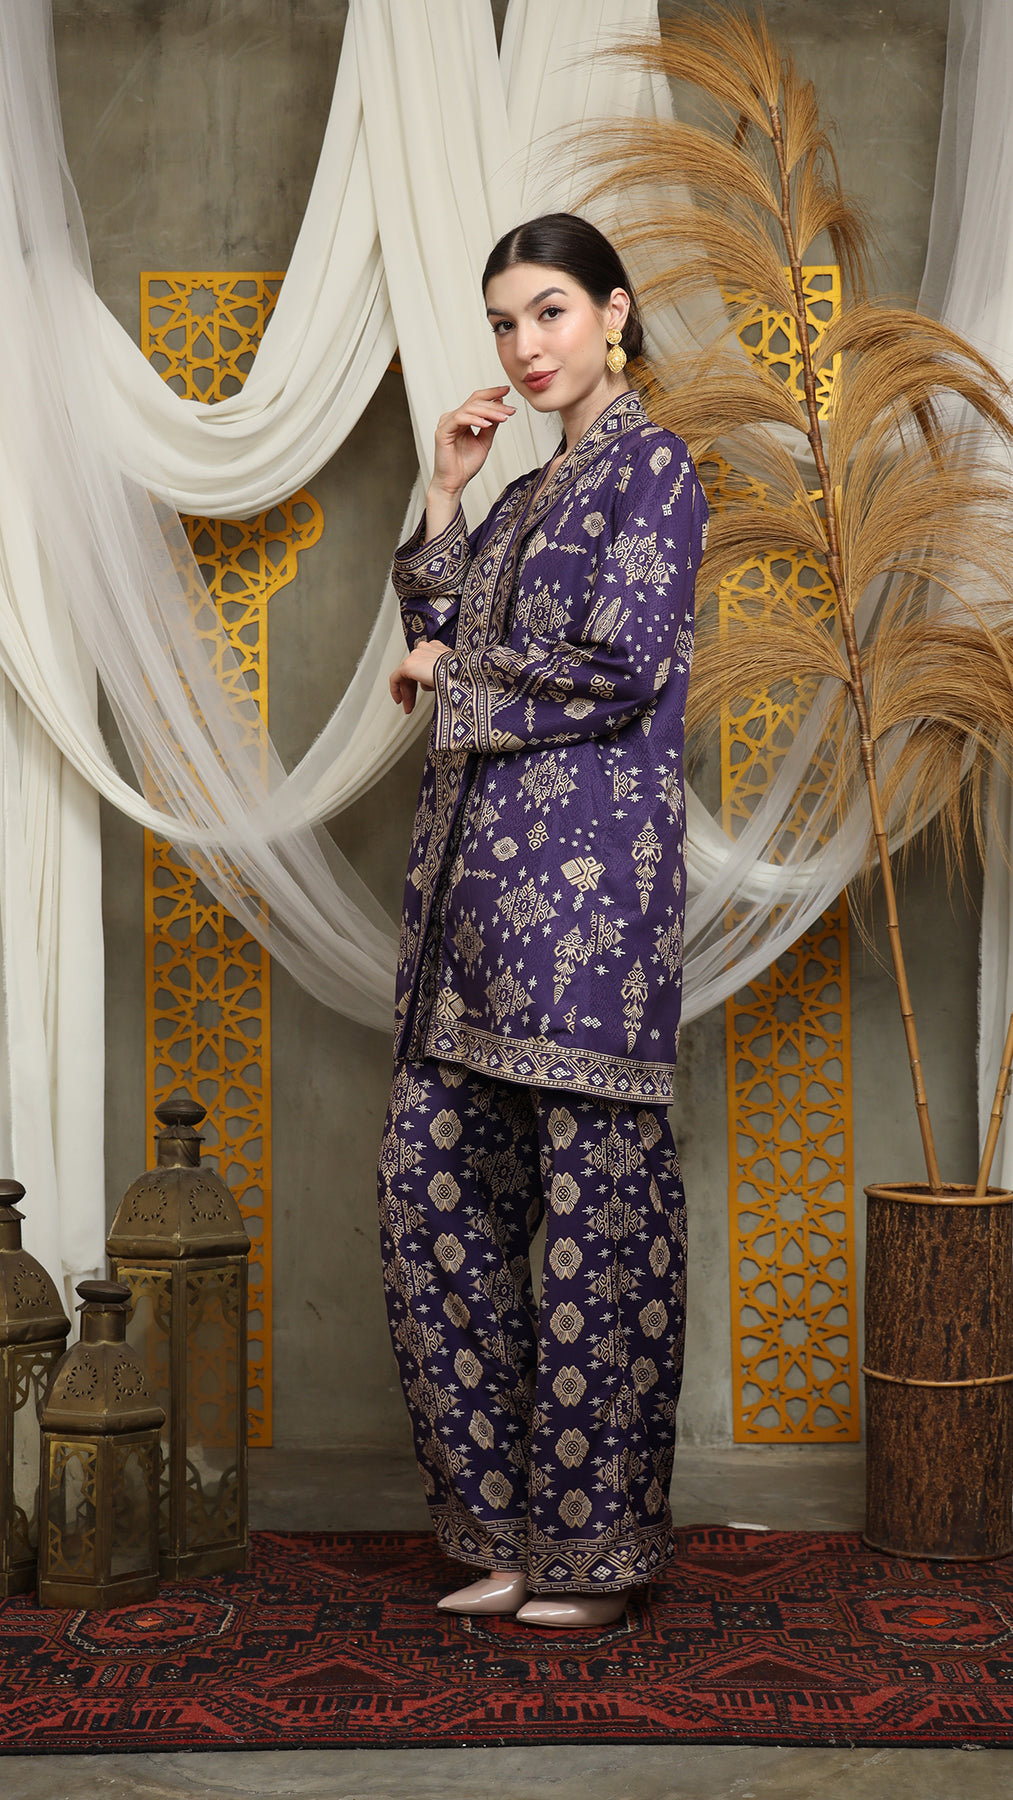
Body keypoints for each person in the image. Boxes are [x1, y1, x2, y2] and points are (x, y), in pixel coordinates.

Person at [378, 212, 708, 1629]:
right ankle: (501, 1530)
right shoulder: (520, 492)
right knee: (433, 1198)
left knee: (593, 1229)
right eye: (505, 322)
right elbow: (446, 615)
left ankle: (595, 1552)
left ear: (614, 314)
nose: (524, 346)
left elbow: (620, 664)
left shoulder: (655, 469)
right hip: (468, 911)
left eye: (551, 312)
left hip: (587, 918)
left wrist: (451, 676)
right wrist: (446, 492)